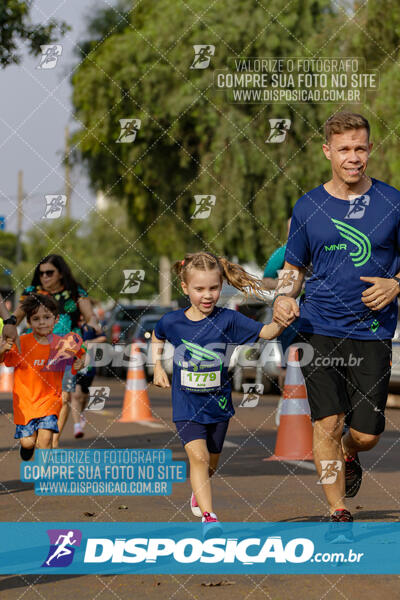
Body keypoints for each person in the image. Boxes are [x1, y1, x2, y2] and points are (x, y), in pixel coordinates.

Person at [272, 112, 400, 532]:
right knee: (326, 421)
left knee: (366, 433)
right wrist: (283, 298)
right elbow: (293, 268)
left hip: (373, 330)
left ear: (369, 150)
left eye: (360, 148)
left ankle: (350, 451)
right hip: (319, 327)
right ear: (328, 151)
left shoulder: (392, 202)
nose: (353, 157)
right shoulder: (309, 206)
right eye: (344, 149)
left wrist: (395, 284)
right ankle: (337, 508)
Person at [152, 252, 285, 538]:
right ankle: (210, 519)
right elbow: (157, 335)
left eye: (213, 288)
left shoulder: (230, 320)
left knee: (210, 462)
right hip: (186, 403)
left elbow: (268, 331)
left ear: (221, 285)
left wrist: (285, 311)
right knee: (197, 458)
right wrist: (156, 368)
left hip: (218, 404)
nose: (207, 295)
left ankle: (199, 494)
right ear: (185, 288)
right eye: (199, 289)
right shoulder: (173, 321)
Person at [12, 255, 100, 447]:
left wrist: (94, 324)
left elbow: (89, 315)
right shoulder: (32, 292)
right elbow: (16, 317)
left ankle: (53, 439)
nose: (44, 276)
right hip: (36, 349)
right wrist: (8, 328)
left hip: (66, 349)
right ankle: (32, 435)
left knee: (64, 395)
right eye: (41, 273)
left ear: (60, 273)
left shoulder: (75, 292)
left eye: (49, 272)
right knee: (38, 396)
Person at [0, 294, 86, 460]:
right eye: (36, 318)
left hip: (50, 401)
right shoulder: (21, 343)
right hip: (25, 405)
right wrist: (3, 349)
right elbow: (2, 360)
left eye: (47, 317)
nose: (42, 322)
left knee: (46, 441)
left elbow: (81, 355)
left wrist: (80, 363)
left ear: (56, 319)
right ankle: (26, 447)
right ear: (29, 322)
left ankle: (43, 479)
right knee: (27, 442)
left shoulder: (63, 343)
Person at [71, 317, 106, 439]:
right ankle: (77, 426)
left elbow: (103, 337)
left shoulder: (92, 324)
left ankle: (81, 413)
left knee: (84, 395)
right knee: (76, 394)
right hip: (73, 363)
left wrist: (91, 342)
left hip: (89, 365)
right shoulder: (69, 322)